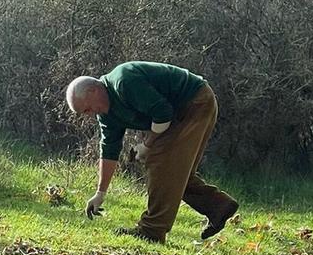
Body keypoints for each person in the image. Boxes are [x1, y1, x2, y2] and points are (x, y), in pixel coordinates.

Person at [65, 61, 238, 243]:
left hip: (195, 102)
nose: (89, 114)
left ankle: (152, 231)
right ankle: (219, 206)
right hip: (179, 112)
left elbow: (163, 113)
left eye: (86, 108)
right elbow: (109, 150)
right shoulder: (107, 115)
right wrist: (100, 193)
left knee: (161, 165)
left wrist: (147, 145)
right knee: (174, 171)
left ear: (94, 91)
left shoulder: (124, 82)